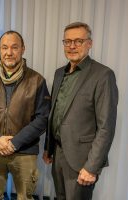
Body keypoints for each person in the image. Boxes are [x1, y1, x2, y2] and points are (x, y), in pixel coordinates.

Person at [43, 22, 118, 200]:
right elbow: (55, 112)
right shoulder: (59, 73)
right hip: (59, 153)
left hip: (82, 160)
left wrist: (92, 167)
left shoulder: (103, 75)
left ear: (89, 43)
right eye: (67, 41)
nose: (72, 46)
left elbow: (106, 126)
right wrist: (49, 147)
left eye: (78, 41)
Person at [0, 30, 51, 199]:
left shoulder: (37, 80)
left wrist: (15, 143)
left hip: (24, 151)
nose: (9, 52)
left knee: (25, 197)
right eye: (4, 47)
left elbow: (42, 118)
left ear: (23, 49)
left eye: (14, 47)